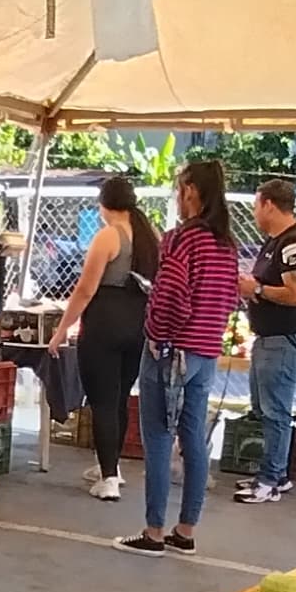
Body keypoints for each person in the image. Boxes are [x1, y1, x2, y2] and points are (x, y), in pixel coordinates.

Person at [119, 157, 244, 555]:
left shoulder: (181, 239)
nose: (176, 195)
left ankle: (153, 532)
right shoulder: (227, 245)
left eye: (179, 188)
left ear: (190, 191)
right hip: (205, 353)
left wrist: (157, 335)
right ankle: (186, 530)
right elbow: (229, 298)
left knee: (156, 438)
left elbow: (171, 295)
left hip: (170, 351)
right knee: (193, 439)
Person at [52, 175, 155, 501]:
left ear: (104, 204)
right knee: (120, 398)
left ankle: (109, 478)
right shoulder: (150, 235)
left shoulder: (108, 236)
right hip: (138, 323)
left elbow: (85, 289)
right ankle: (110, 465)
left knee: (102, 402)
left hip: (104, 325)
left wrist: (62, 329)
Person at [236, 177, 296, 504]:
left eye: (256, 205)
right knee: (264, 407)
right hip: (267, 337)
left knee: (276, 412)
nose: (255, 213)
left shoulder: (294, 244)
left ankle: (270, 479)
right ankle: (274, 473)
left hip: (283, 340)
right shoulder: (274, 242)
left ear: (269, 204)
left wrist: (255, 289)